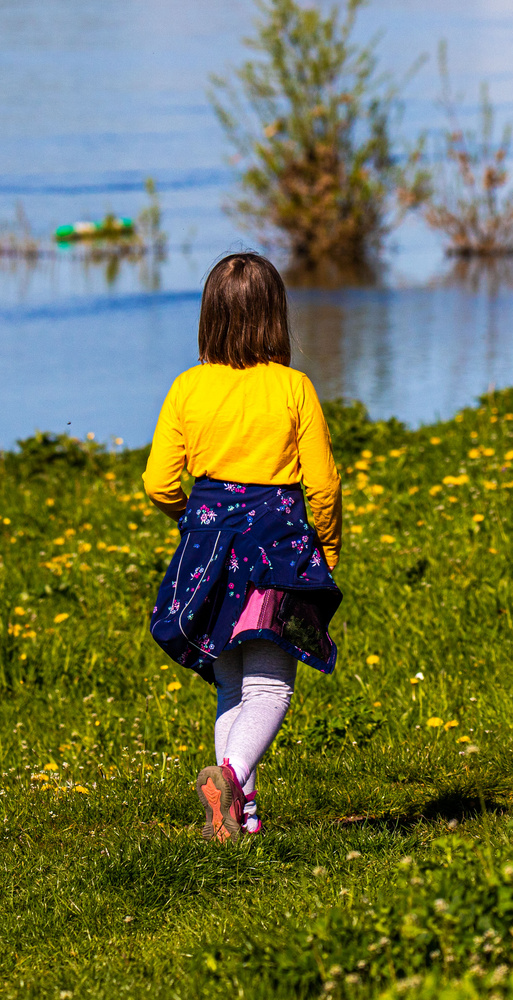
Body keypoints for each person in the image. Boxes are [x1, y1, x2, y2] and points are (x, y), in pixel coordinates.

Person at [143, 252, 343, 840]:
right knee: (273, 686)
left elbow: (158, 482)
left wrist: (193, 521)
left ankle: (241, 821)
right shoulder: (292, 387)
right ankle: (230, 777)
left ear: (209, 317)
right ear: (276, 318)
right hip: (274, 548)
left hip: (207, 552)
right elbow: (323, 484)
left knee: (233, 685)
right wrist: (326, 549)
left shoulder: (187, 388)